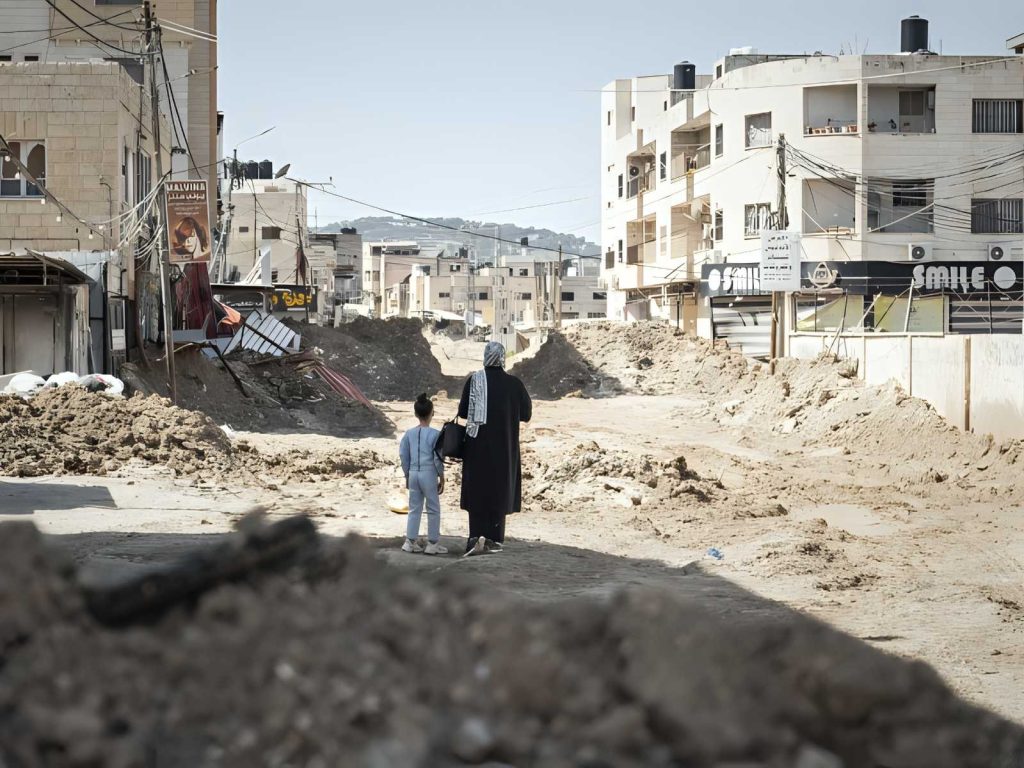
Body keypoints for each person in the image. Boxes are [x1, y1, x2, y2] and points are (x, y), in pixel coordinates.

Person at [458, 341, 532, 556]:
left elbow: (463, 412)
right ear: (502, 358)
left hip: (476, 447)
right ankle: (495, 539)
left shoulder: (475, 380)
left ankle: (474, 537)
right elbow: (526, 414)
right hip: (504, 448)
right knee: (499, 491)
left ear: (485, 356)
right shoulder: (514, 384)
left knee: (477, 490)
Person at [399, 393, 447, 555]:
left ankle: (410, 541)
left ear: (415, 414)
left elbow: (404, 456)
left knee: (414, 508)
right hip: (428, 473)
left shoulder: (409, 434)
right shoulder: (435, 434)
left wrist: (407, 475)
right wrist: (441, 476)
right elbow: (437, 458)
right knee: (433, 508)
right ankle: (432, 543)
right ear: (432, 413)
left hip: (413, 473)